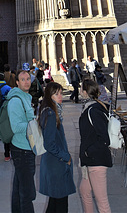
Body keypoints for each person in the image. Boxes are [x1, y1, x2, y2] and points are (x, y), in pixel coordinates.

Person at [38, 82, 76, 213]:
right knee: (60, 204)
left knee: (54, 202)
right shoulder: (51, 113)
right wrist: (66, 157)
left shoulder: (50, 110)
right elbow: (49, 143)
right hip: (56, 163)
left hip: (54, 162)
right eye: (56, 94)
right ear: (50, 96)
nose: (60, 96)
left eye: (60, 93)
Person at [79, 79, 112, 213]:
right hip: (90, 160)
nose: (80, 91)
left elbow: (104, 138)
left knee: (102, 202)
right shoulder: (91, 107)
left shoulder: (93, 110)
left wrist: (89, 152)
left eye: (81, 89)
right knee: (84, 190)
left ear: (86, 92)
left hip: (96, 161)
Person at [7, 69, 36, 213]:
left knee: (19, 188)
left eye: (28, 79)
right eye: (23, 79)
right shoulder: (16, 100)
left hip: (26, 148)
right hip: (22, 150)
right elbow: (16, 126)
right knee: (27, 193)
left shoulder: (26, 97)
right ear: (17, 82)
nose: (26, 82)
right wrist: (36, 124)